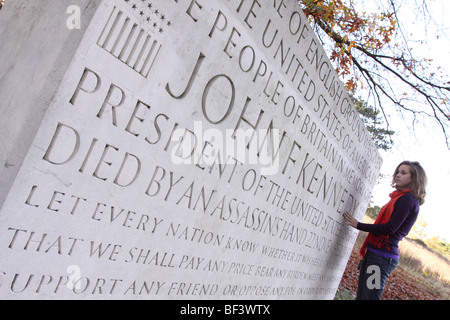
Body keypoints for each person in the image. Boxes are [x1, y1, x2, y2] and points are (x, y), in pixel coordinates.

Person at [344, 161, 427, 300]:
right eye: (398, 172)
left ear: (414, 178)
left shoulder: (408, 199)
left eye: (403, 173)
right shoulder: (400, 197)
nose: (398, 175)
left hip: (381, 257)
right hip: (375, 253)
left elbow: (390, 228)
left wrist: (359, 225)